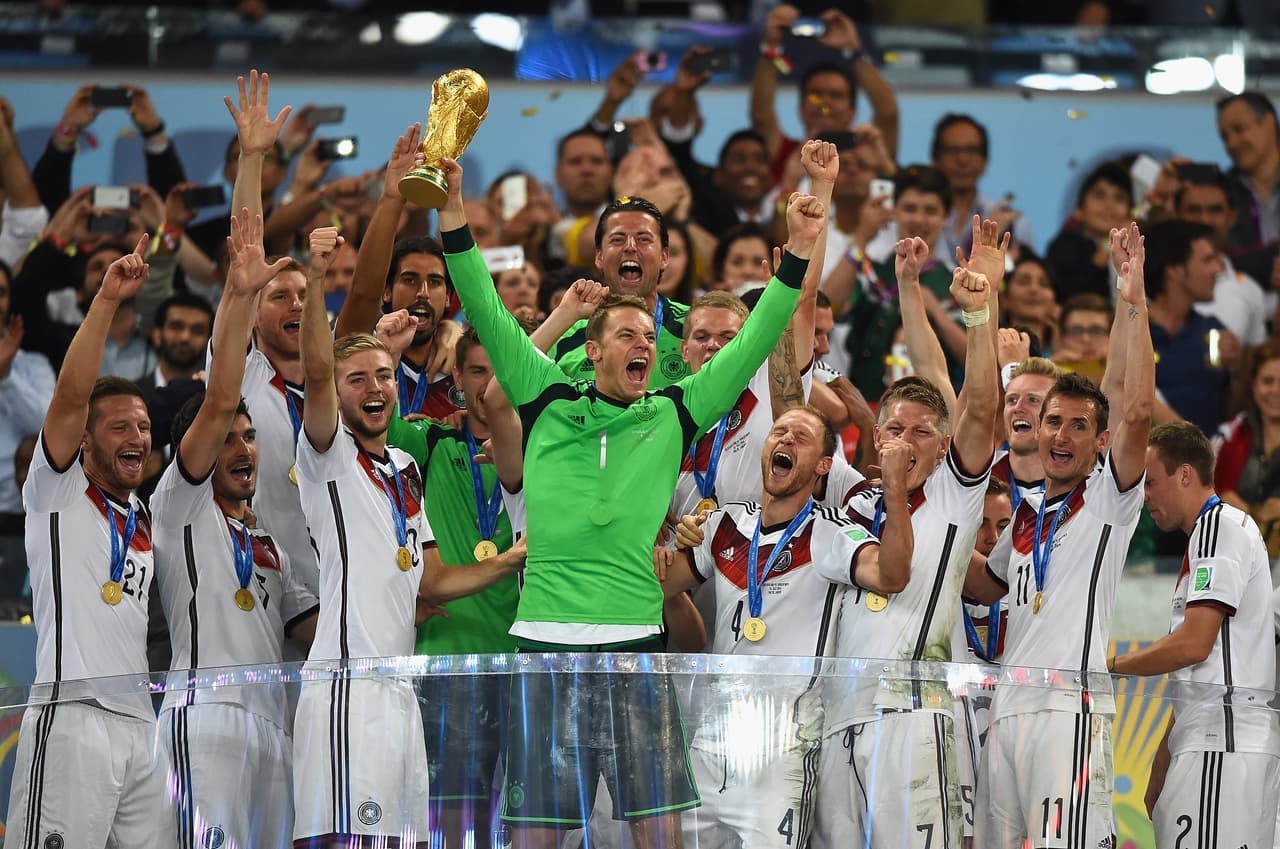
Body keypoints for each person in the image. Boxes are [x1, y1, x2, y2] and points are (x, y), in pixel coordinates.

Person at [435, 149, 825, 849]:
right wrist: (452, 208)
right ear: (592, 347)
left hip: (639, 650)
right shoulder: (545, 395)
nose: (645, 342)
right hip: (544, 647)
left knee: (660, 839)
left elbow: (760, 334)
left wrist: (798, 247)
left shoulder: (672, 413)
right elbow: (484, 306)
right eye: (628, 335)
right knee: (535, 840)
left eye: (649, 335)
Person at [291, 228, 525, 848]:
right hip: (347, 685)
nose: (375, 388)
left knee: (406, 841)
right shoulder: (328, 457)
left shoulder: (403, 469)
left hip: (401, 684)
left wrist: (512, 560)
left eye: (385, 376)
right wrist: (317, 281)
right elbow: (316, 371)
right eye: (357, 379)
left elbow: (434, 578)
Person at [965, 221, 1155, 849]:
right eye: (1053, 422)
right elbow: (982, 585)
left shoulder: (1108, 498)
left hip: (1068, 710)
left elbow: (1135, 408)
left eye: (1079, 426)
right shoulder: (1022, 516)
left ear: (1099, 442)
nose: (1063, 435)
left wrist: (1132, 301)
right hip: (1007, 708)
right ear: (1035, 429)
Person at [661, 405, 914, 849]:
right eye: (780, 432)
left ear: (822, 466)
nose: (785, 441)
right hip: (711, 739)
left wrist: (894, 492)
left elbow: (892, 575)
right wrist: (662, 542)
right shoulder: (723, 524)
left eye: (801, 437)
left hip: (783, 746)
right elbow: (650, 589)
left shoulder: (831, 532)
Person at [815, 245, 998, 849]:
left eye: (923, 432)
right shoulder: (850, 504)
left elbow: (976, 406)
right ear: (875, 436)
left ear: (943, 448)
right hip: (840, 716)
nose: (907, 440)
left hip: (915, 714)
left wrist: (979, 315)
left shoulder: (955, 495)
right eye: (895, 429)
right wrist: (905, 282)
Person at [151, 210, 319, 849]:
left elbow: (308, 626)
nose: (244, 448)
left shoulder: (268, 544)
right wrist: (240, 290)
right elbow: (221, 396)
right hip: (205, 720)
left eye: (251, 437)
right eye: (228, 440)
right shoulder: (180, 508)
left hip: (276, 727)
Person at [4, 234, 178, 847]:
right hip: (71, 716)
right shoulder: (56, 491)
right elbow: (72, 395)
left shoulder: (143, 518)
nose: (137, 435)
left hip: (140, 724)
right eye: (119, 426)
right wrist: (106, 299)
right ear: (84, 440)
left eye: (144, 426)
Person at [385, 324, 521, 849]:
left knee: (522, 823)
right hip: (448, 658)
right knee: (451, 822)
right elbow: (369, 423)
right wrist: (392, 353)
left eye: (499, 372)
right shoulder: (429, 440)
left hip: (521, 658)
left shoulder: (539, 448)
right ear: (458, 380)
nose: (488, 386)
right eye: (477, 372)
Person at [1112, 422, 1279, 849]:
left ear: (1185, 475)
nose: (1144, 495)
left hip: (1221, 743)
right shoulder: (1213, 535)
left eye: (1150, 482)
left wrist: (1110, 666)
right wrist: (1161, 767)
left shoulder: (1217, 526)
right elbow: (1198, 667)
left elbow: (1193, 645)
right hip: (1219, 739)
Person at [335, 123, 465, 419]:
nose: (422, 292)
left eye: (434, 282)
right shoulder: (359, 353)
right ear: (387, 290)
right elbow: (363, 293)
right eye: (409, 280)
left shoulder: (466, 365)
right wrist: (392, 198)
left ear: (448, 298)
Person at [549, 195, 693, 389]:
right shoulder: (566, 338)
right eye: (618, 239)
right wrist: (562, 316)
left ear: (664, 257)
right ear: (599, 257)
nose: (630, 247)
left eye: (643, 239)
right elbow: (509, 392)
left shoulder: (695, 329)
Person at [751, 4, 900, 180]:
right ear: (800, 108)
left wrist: (854, 50)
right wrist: (771, 47)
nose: (824, 102)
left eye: (836, 95)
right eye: (815, 94)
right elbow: (761, 117)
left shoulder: (869, 155)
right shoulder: (785, 152)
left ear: (852, 111)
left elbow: (888, 114)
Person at [1144, 219, 1234, 435]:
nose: (1218, 269)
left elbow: (1230, 412)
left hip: (1207, 463)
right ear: (1174, 270)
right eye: (1207, 260)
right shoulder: (1130, 332)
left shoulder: (1213, 331)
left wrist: (1238, 370)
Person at [929, 113, 1032, 263]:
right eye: (952, 150)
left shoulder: (1014, 222)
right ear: (935, 159)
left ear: (985, 161)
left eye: (971, 150)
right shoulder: (917, 216)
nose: (962, 159)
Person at [1212, 339, 1280, 558]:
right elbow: (1219, 489)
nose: (1275, 391)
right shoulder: (1234, 433)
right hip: (1238, 552)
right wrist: (1250, 515)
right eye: (1268, 381)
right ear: (1254, 386)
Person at [1215, 92, 1280, 288]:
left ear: (1269, 124)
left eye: (1239, 129)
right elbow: (1217, 262)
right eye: (1225, 136)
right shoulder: (1221, 193)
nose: (1231, 143)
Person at [1045, 162, 1132, 302]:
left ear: (1129, 213)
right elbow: (1073, 296)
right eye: (1100, 195)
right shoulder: (1063, 247)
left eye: (1119, 198)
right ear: (1078, 210)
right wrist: (1108, 246)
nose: (1109, 205)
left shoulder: (1137, 252)